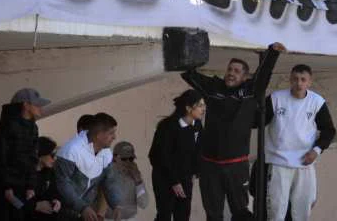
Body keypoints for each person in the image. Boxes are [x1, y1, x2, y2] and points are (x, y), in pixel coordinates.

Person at [180, 44, 282, 221]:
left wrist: (272, 53)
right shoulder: (214, 87)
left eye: (236, 71)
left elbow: (263, 74)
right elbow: (190, 75)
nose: (231, 73)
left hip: (236, 165)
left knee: (241, 212)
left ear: (245, 77)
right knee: (213, 213)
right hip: (210, 165)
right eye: (229, 69)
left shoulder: (250, 91)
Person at [263, 64, 337, 221]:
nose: (299, 83)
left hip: (305, 162)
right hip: (279, 161)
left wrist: (316, 151)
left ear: (309, 82)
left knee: (303, 210)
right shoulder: (276, 98)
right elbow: (257, 121)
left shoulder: (317, 102)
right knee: (276, 211)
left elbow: (329, 130)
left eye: (303, 80)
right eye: (295, 79)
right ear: (290, 79)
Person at [0, 88, 50, 221]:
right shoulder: (8, 127)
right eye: (37, 104)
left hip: (20, 188)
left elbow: (32, 158)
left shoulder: (32, 127)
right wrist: (6, 187)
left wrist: (30, 186)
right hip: (5, 191)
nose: (41, 108)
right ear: (25, 105)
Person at [149, 90, 205, 221]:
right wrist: (174, 181)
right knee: (165, 214)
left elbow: (197, 150)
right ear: (188, 108)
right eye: (200, 105)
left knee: (183, 214)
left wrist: (195, 171)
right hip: (165, 177)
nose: (203, 109)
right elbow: (159, 156)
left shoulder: (197, 124)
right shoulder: (167, 126)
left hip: (185, 177)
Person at [54, 113, 119, 221]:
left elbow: (109, 181)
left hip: (86, 214)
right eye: (111, 133)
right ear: (99, 135)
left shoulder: (106, 153)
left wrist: (116, 204)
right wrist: (83, 207)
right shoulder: (71, 150)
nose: (114, 137)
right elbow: (63, 184)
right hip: (62, 212)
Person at [107, 141, 149, 221]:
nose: (128, 162)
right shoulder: (106, 173)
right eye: (124, 159)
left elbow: (144, 204)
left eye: (131, 159)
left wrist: (138, 181)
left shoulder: (135, 175)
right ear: (114, 158)